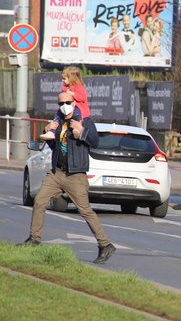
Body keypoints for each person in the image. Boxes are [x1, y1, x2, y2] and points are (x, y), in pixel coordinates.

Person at [20, 92, 116, 264]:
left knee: (85, 210)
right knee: (40, 200)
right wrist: (47, 131)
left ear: (74, 102)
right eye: (61, 103)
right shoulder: (59, 122)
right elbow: (56, 144)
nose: (64, 105)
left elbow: (95, 141)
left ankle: (105, 244)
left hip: (75, 174)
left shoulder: (85, 120)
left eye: (68, 102)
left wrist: (82, 131)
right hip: (57, 172)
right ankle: (34, 239)